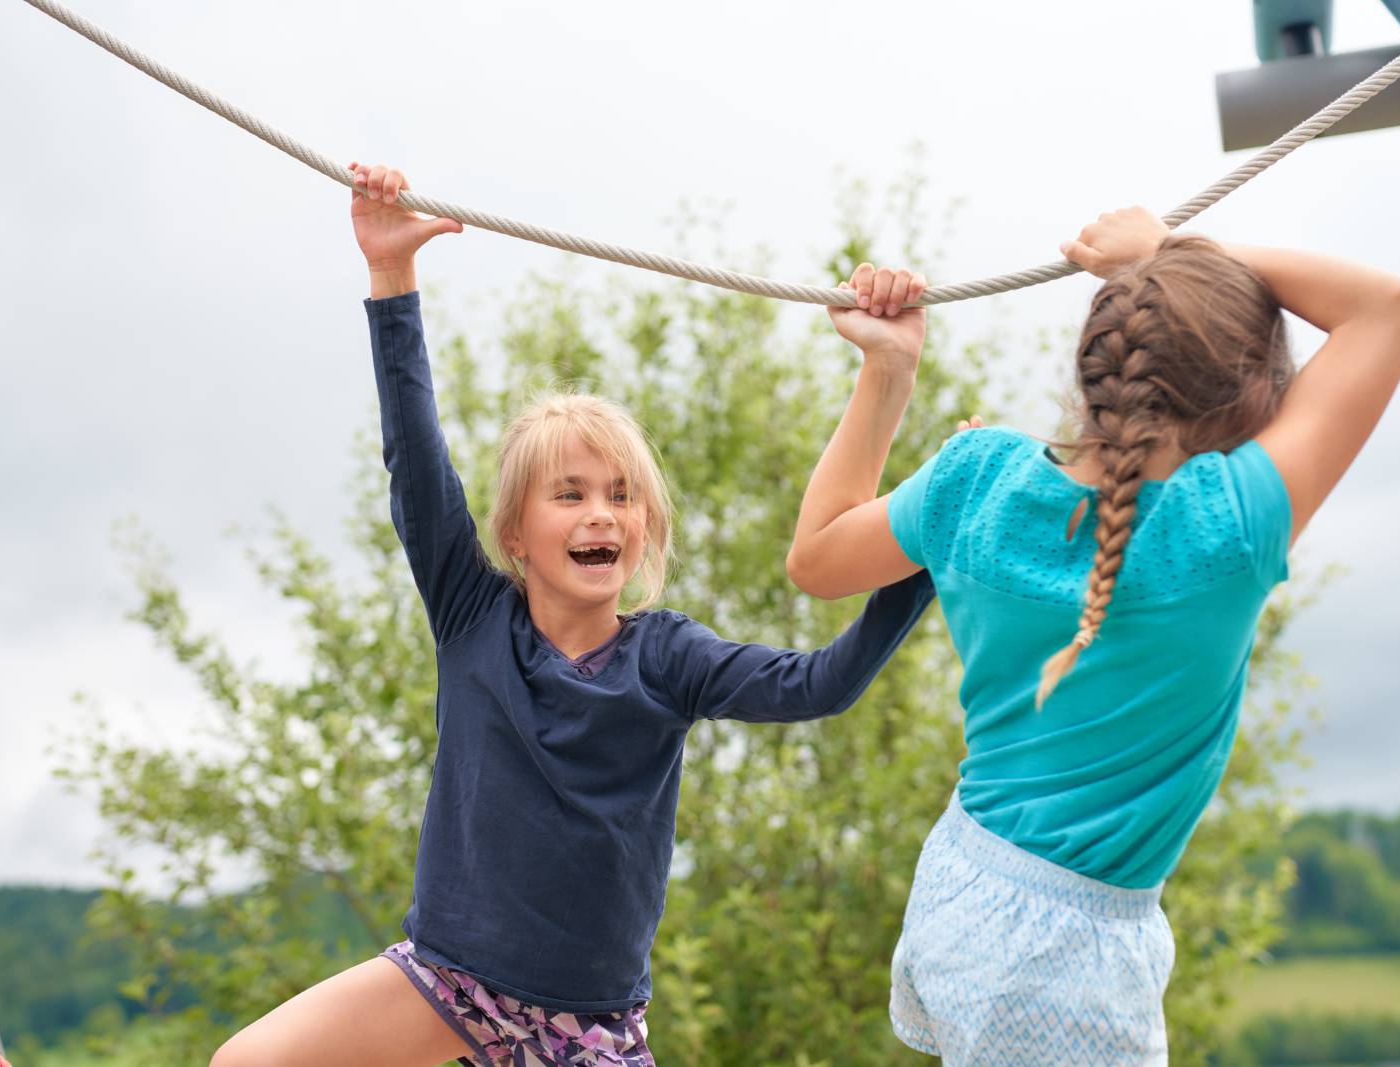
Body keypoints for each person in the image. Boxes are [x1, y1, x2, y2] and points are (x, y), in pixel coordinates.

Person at [209, 163, 935, 1067]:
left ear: (644, 527)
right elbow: (415, 459)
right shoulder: (475, 615)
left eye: (622, 495)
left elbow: (822, 683)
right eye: (571, 493)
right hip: (449, 979)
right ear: (516, 530)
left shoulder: (666, 657)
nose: (601, 512)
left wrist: (923, 554)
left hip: (587, 1026)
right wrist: (392, 279)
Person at [786, 207, 1400, 1065]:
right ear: (1250, 397)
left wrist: (888, 369)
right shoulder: (1220, 532)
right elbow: (1392, 304)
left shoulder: (975, 478)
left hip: (960, 883)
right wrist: (1162, 253)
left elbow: (818, 556)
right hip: (1067, 963)